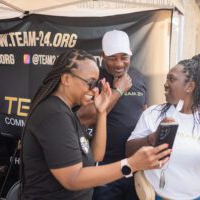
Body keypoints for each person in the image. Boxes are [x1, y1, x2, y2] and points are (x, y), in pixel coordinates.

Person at [20, 49, 171, 200]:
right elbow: (72, 178)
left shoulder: (66, 112)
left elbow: (96, 156)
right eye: (90, 83)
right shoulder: (54, 114)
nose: (94, 89)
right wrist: (131, 164)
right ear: (66, 79)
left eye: (96, 83)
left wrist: (102, 112)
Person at [126, 54, 200, 200]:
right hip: (155, 195)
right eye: (167, 78)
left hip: (197, 196)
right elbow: (129, 151)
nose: (166, 83)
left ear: (190, 86)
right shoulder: (152, 114)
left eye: (171, 79)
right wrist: (153, 138)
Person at [78, 30, 147, 200]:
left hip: (134, 165)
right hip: (104, 167)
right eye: (112, 58)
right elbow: (86, 119)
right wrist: (119, 90)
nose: (119, 64)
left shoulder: (138, 78)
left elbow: (144, 112)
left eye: (124, 57)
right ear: (103, 56)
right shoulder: (94, 79)